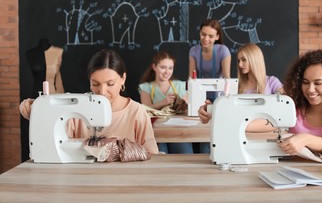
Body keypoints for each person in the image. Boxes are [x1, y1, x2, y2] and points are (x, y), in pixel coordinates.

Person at [19, 49, 159, 154]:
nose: (102, 92)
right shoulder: (76, 110)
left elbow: (151, 155)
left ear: (123, 79)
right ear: (89, 82)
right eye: (96, 84)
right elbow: (54, 143)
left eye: (110, 84)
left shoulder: (137, 112)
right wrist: (37, 111)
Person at [198, 43, 284, 133]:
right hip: (240, 134)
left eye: (244, 60)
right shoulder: (236, 85)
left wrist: (283, 95)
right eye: (239, 60)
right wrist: (208, 109)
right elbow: (222, 104)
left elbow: (285, 100)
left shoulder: (272, 82)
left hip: (265, 133)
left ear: (254, 60)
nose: (240, 64)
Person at [189, 19, 231, 153]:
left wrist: (224, 100)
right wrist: (190, 95)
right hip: (201, 97)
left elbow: (227, 79)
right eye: (203, 34)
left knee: (216, 134)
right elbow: (191, 77)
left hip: (219, 96)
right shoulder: (194, 51)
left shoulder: (223, 51)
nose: (206, 39)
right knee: (202, 134)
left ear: (217, 37)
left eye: (211, 36)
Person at [139, 51, 193, 154]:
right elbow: (145, 108)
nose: (167, 72)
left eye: (170, 68)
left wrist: (182, 103)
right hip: (156, 132)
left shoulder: (180, 86)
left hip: (177, 131)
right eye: (163, 67)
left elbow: (187, 108)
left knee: (185, 155)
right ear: (154, 67)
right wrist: (163, 102)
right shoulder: (146, 87)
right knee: (161, 155)